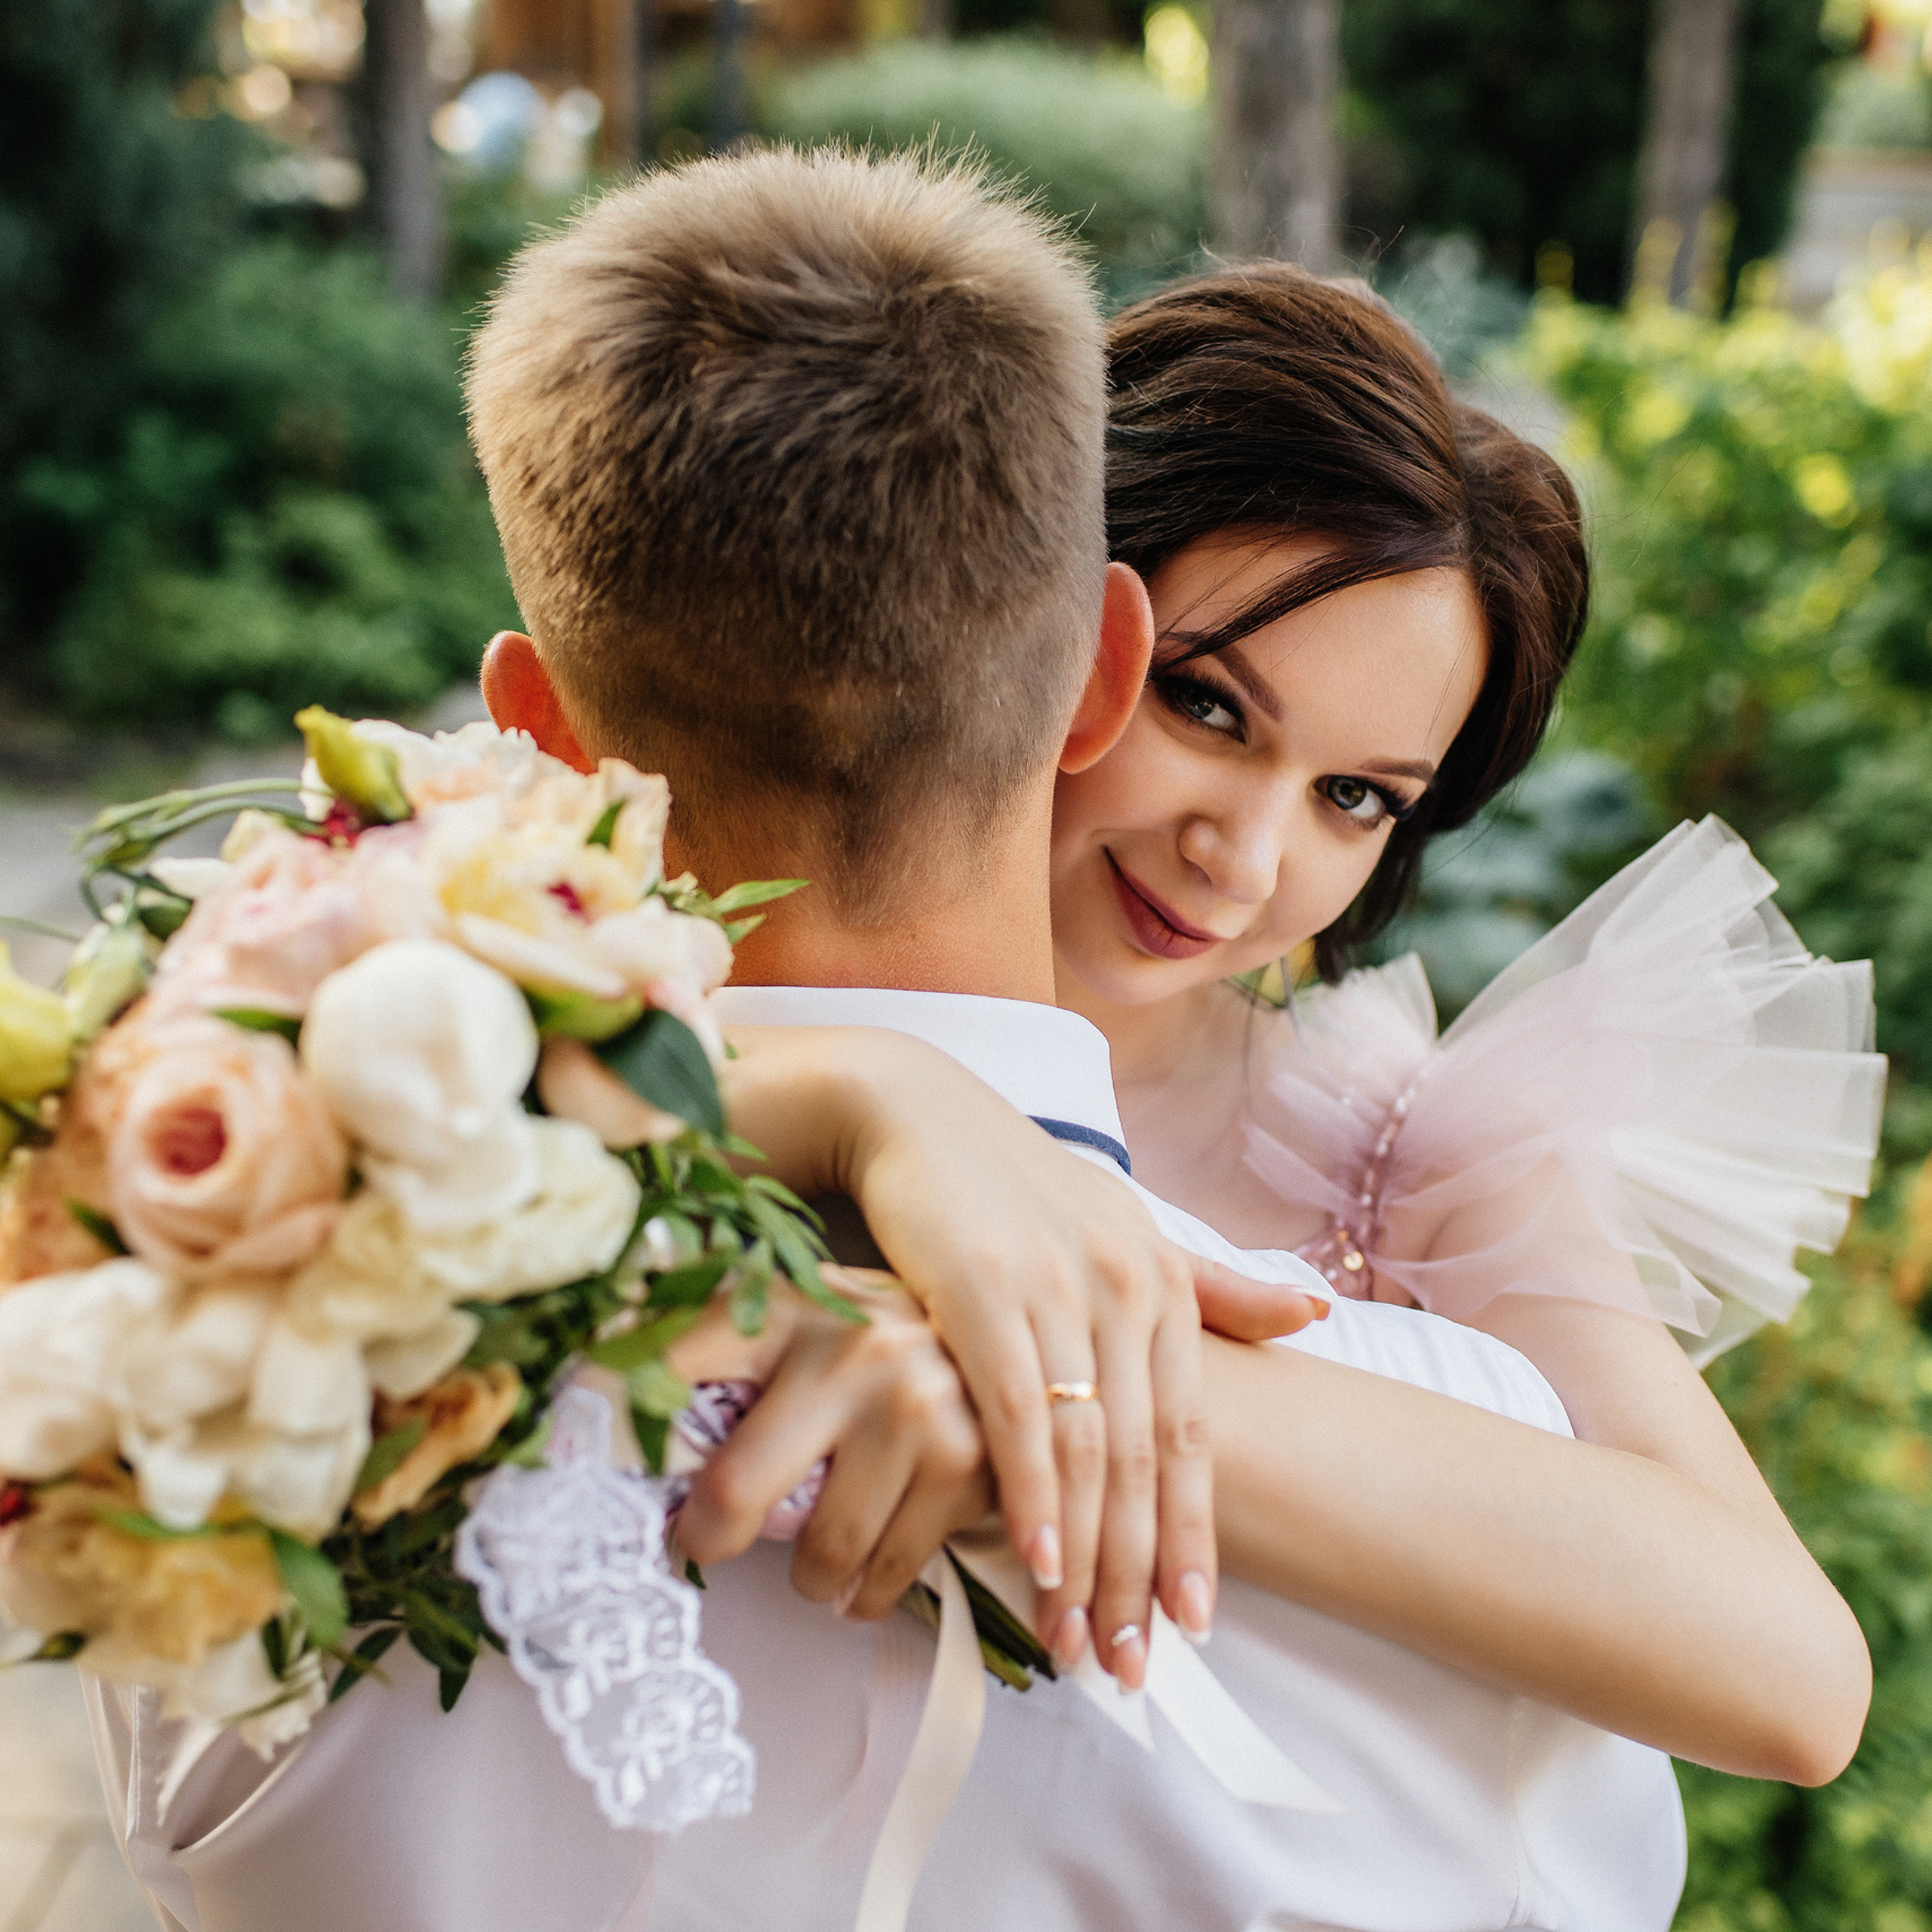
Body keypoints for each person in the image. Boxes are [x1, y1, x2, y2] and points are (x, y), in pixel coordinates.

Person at [87, 151, 1860, 1932]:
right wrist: (861, 1098)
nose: (1239, 853)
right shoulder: (423, 1083)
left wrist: (1048, 1392)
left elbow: (1783, 1670)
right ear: (1089, 643)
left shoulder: (245, 1314)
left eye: (1355, 797)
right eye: (1204, 705)